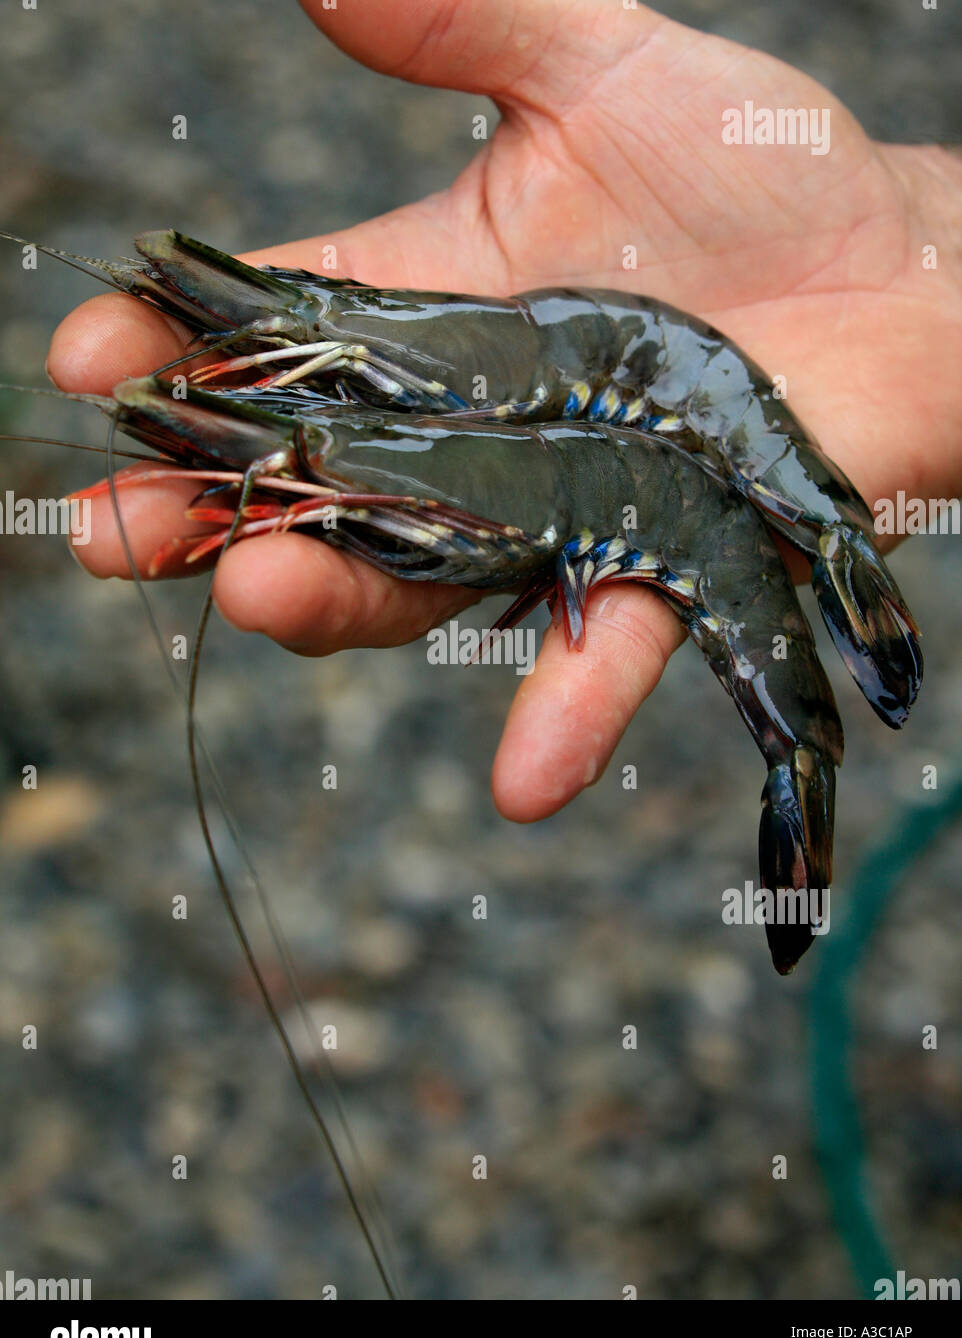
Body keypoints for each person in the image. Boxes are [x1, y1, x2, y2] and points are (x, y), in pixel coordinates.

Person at [48, 0, 962, 824]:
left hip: (670, 433)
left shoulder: (618, 390)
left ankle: (805, 720)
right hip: (622, 455)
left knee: (333, 426)